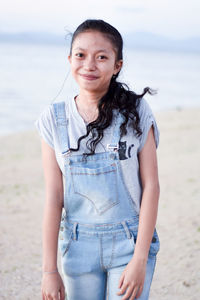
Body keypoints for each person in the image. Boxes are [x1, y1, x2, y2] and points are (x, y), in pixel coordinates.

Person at [34, 19, 160, 300]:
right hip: (78, 246)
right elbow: (54, 197)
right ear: (69, 59)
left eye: (102, 57)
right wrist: (49, 271)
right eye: (80, 55)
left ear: (117, 65)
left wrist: (139, 259)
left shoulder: (137, 111)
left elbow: (151, 186)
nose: (89, 64)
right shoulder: (53, 120)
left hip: (130, 242)